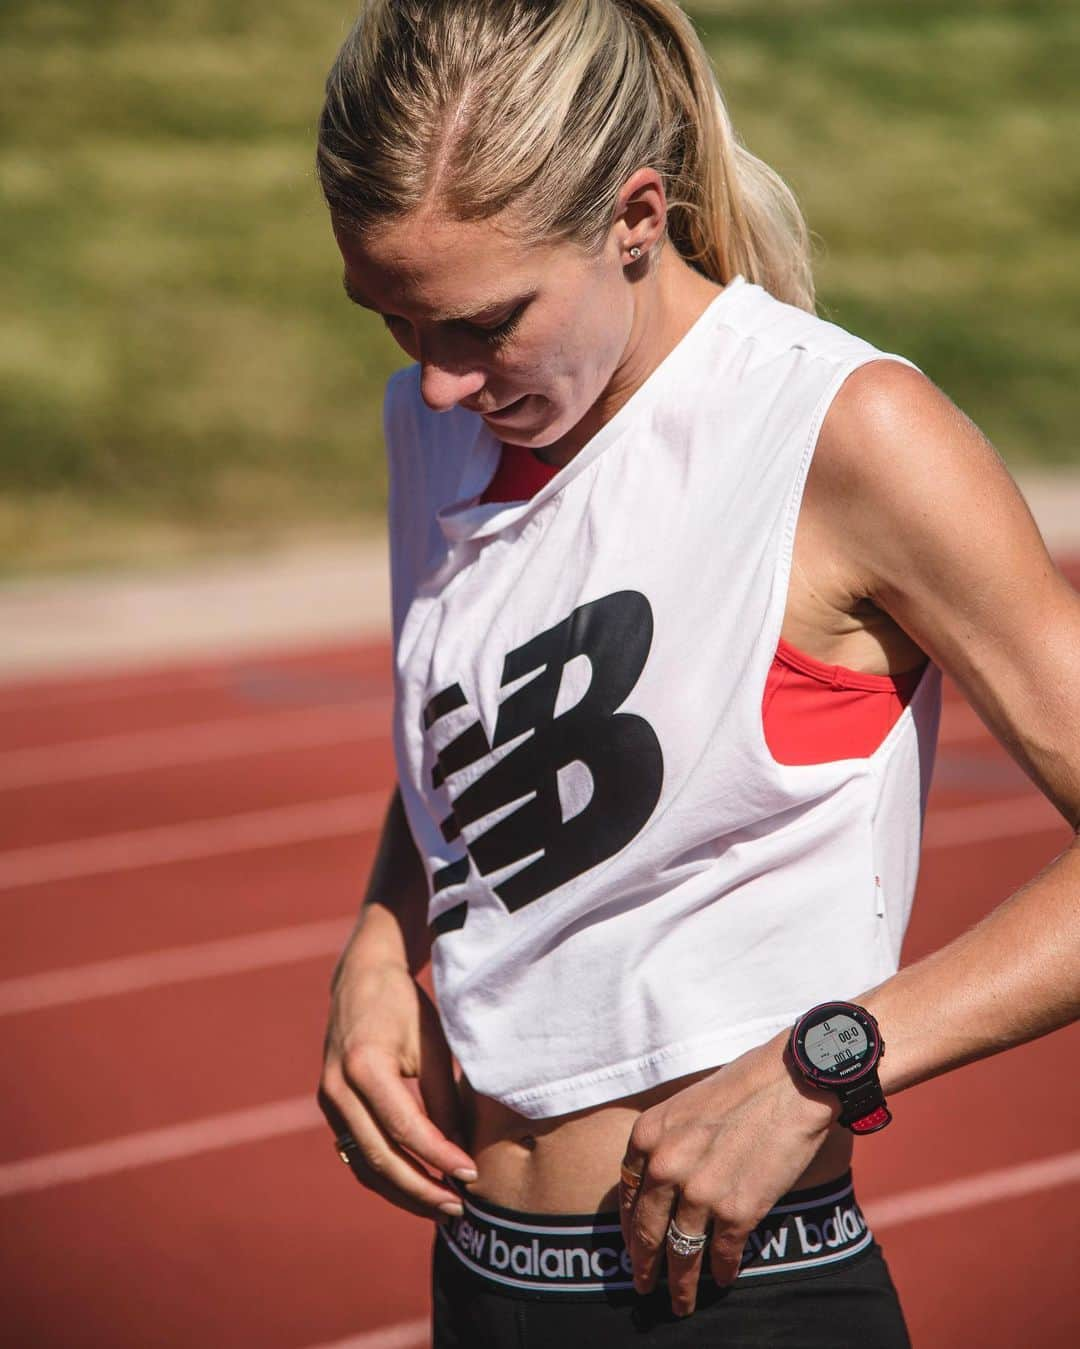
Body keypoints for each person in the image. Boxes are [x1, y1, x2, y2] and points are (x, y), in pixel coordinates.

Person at [314, 2, 1080, 1344]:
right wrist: (385, 944)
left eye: (481, 324)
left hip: (736, 1293)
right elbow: (488, 742)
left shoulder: (842, 434)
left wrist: (826, 1063)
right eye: (392, 321)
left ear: (637, 214)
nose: (435, 383)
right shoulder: (435, 421)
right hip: (480, 1283)